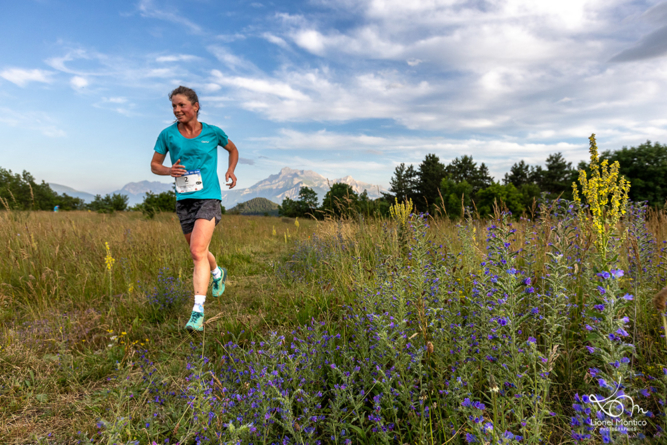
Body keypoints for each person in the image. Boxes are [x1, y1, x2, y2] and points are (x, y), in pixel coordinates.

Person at [150, 86, 239, 331]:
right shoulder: (168, 134)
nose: (177, 110)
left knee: (198, 251)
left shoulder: (212, 132)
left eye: (182, 105)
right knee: (196, 251)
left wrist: (230, 170)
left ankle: (197, 312)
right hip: (184, 199)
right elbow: (155, 165)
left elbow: (232, 149)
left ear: (195, 106)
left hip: (209, 197)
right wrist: (169, 170)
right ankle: (217, 272)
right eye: (174, 107)